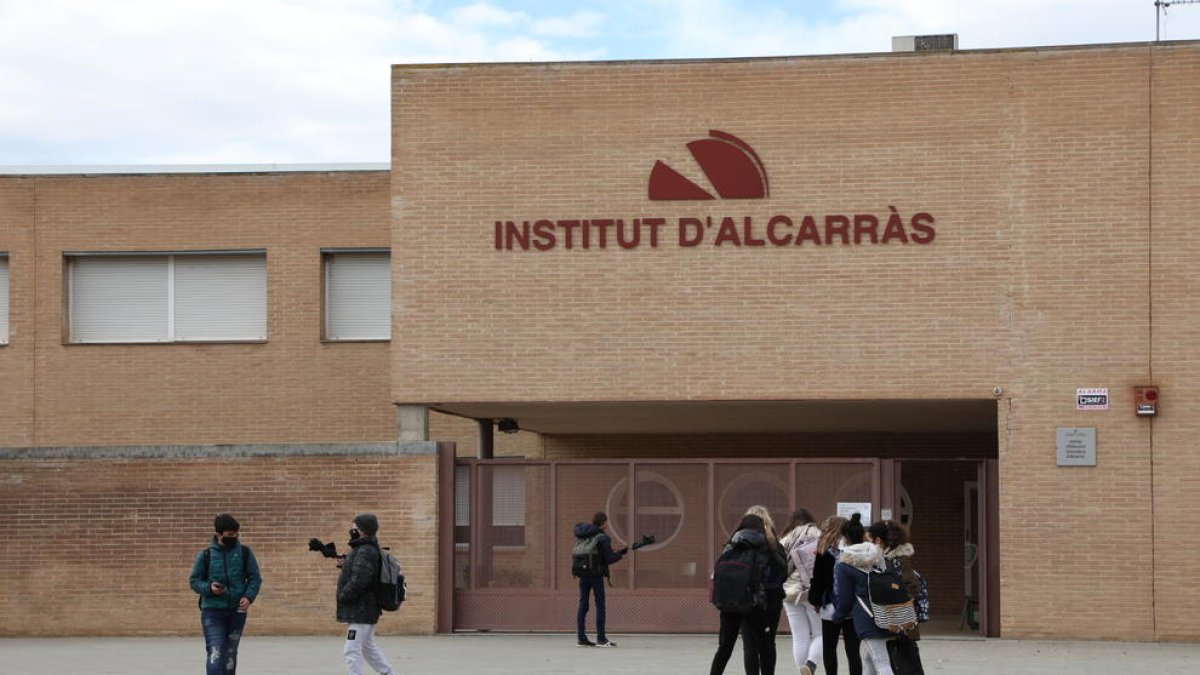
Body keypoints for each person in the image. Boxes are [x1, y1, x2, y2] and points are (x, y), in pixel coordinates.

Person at [709, 513, 787, 675]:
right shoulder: (763, 544)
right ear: (760, 527)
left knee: (725, 648)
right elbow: (779, 570)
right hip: (754, 604)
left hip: (729, 604)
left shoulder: (731, 544)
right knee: (765, 644)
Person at [189, 513, 262, 675]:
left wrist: (248, 597)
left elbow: (255, 578)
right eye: (230, 535)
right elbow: (194, 581)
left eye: (236, 534)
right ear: (219, 534)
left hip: (237, 612)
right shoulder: (206, 555)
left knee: (230, 653)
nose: (234, 537)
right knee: (216, 651)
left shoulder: (245, 553)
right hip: (212, 611)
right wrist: (210, 588)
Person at [831, 516, 895, 675]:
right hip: (887, 612)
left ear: (845, 538)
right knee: (869, 659)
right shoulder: (877, 555)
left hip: (867, 616)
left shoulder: (844, 564)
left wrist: (837, 617)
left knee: (881, 662)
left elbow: (845, 600)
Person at [336, 514, 396, 675]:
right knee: (367, 647)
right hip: (366, 608)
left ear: (363, 530)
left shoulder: (365, 550)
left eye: (354, 528)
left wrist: (344, 594)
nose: (352, 530)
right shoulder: (365, 549)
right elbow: (362, 572)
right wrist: (345, 563)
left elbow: (360, 580)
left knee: (351, 650)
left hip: (361, 609)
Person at [808, 515, 861, 675]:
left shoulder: (824, 550)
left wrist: (815, 601)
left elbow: (817, 580)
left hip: (830, 605)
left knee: (829, 647)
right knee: (853, 650)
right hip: (854, 606)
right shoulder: (856, 550)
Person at [742, 505, 787, 675]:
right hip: (772, 600)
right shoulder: (775, 544)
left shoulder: (741, 543)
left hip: (747, 599)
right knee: (768, 642)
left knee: (750, 644)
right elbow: (784, 571)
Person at [572, 511, 627, 647]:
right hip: (596, 575)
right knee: (600, 605)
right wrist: (620, 554)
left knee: (583, 604)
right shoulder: (602, 538)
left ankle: (581, 637)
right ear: (604, 523)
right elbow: (609, 559)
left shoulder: (583, 536)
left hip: (583, 574)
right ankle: (601, 638)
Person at [779, 508, 822, 675]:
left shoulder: (786, 538)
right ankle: (810, 666)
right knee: (820, 633)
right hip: (813, 591)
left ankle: (802, 670)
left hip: (789, 591)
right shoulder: (819, 535)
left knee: (799, 636)